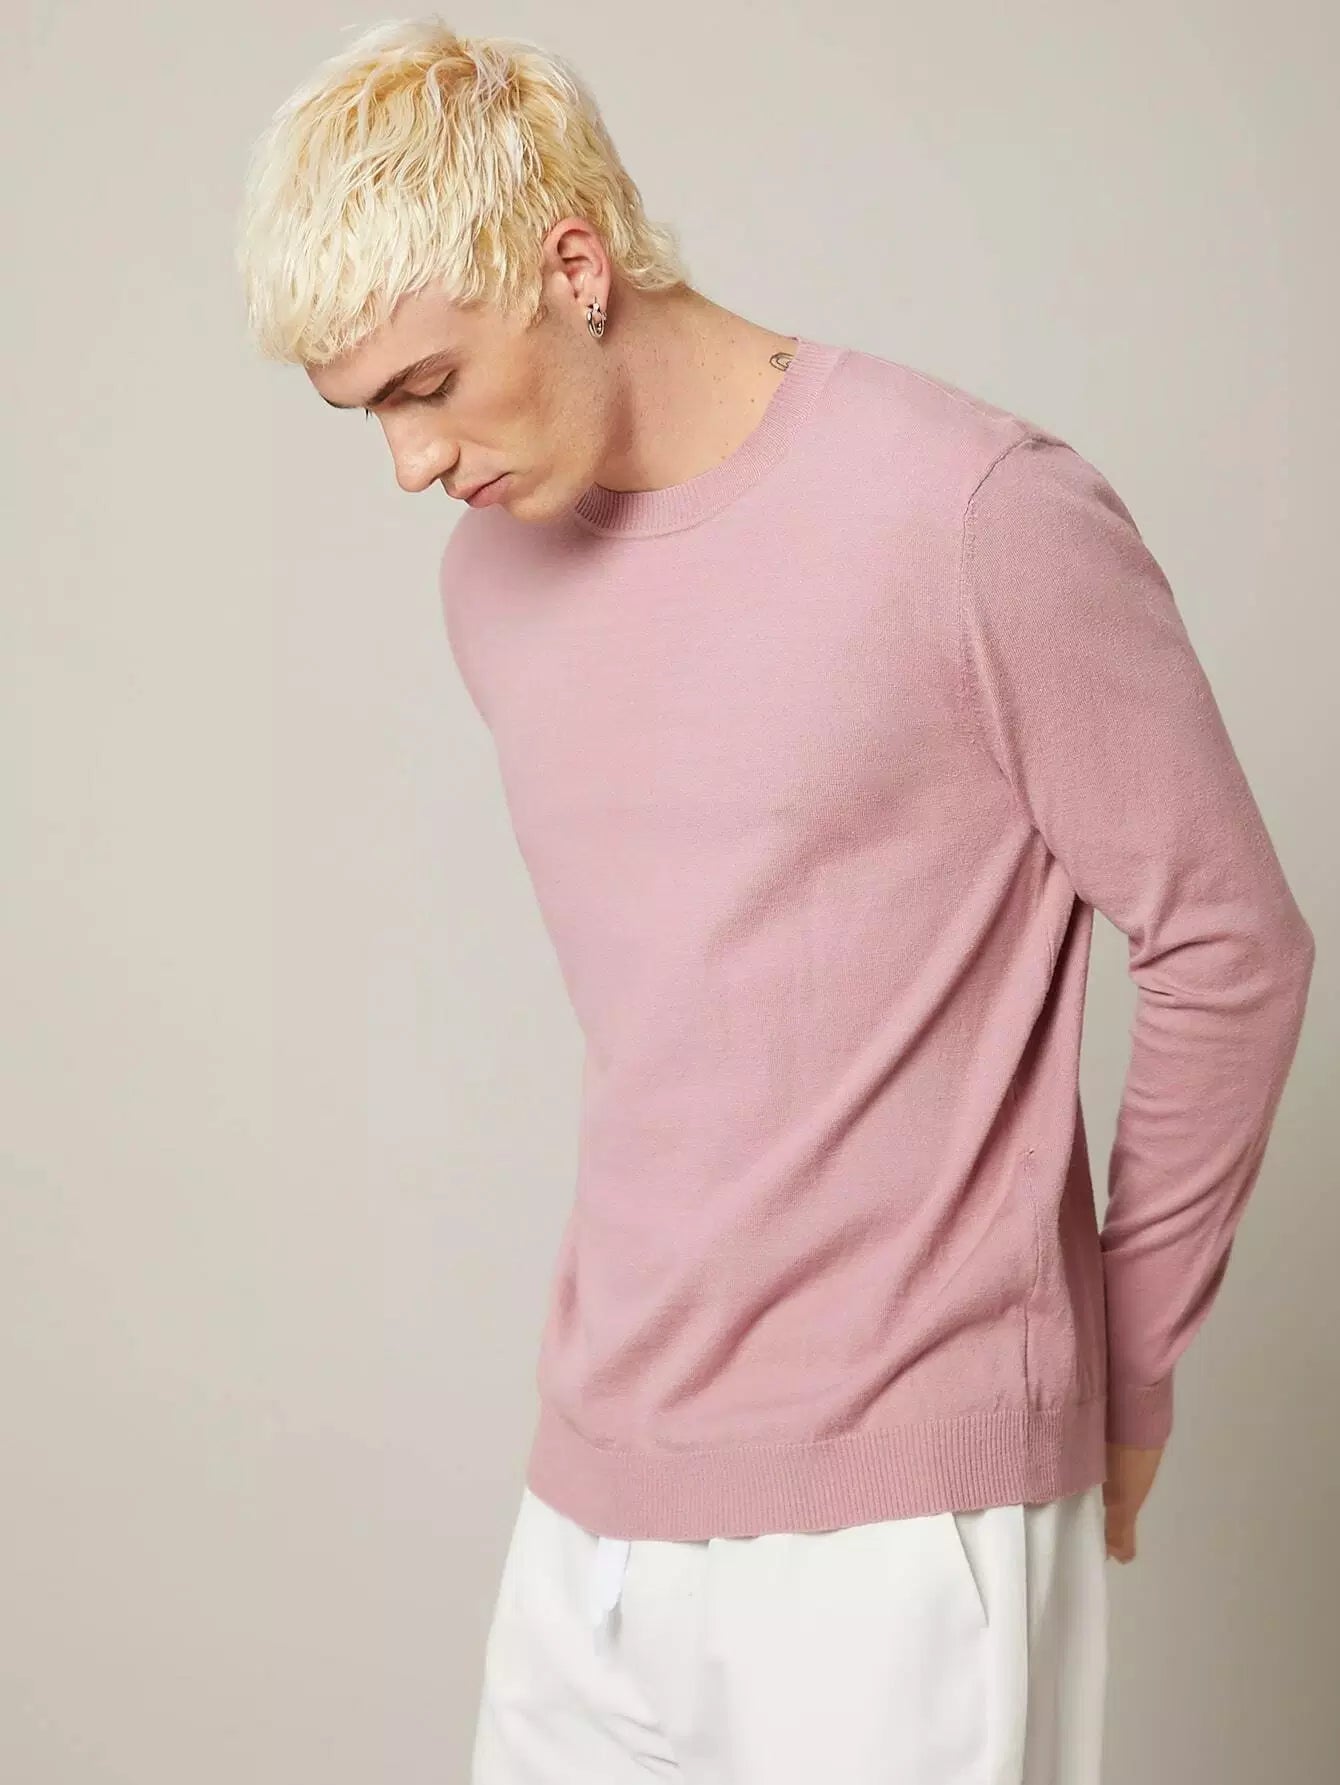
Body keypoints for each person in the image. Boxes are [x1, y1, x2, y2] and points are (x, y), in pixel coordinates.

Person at [235, 20, 1316, 1783]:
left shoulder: (971, 512)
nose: (409, 463)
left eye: (428, 384)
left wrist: (1127, 1369)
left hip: (901, 1528)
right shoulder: (492, 586)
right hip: (592, 1514)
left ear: (571, 265)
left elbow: (1229, 943)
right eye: (367, 413)